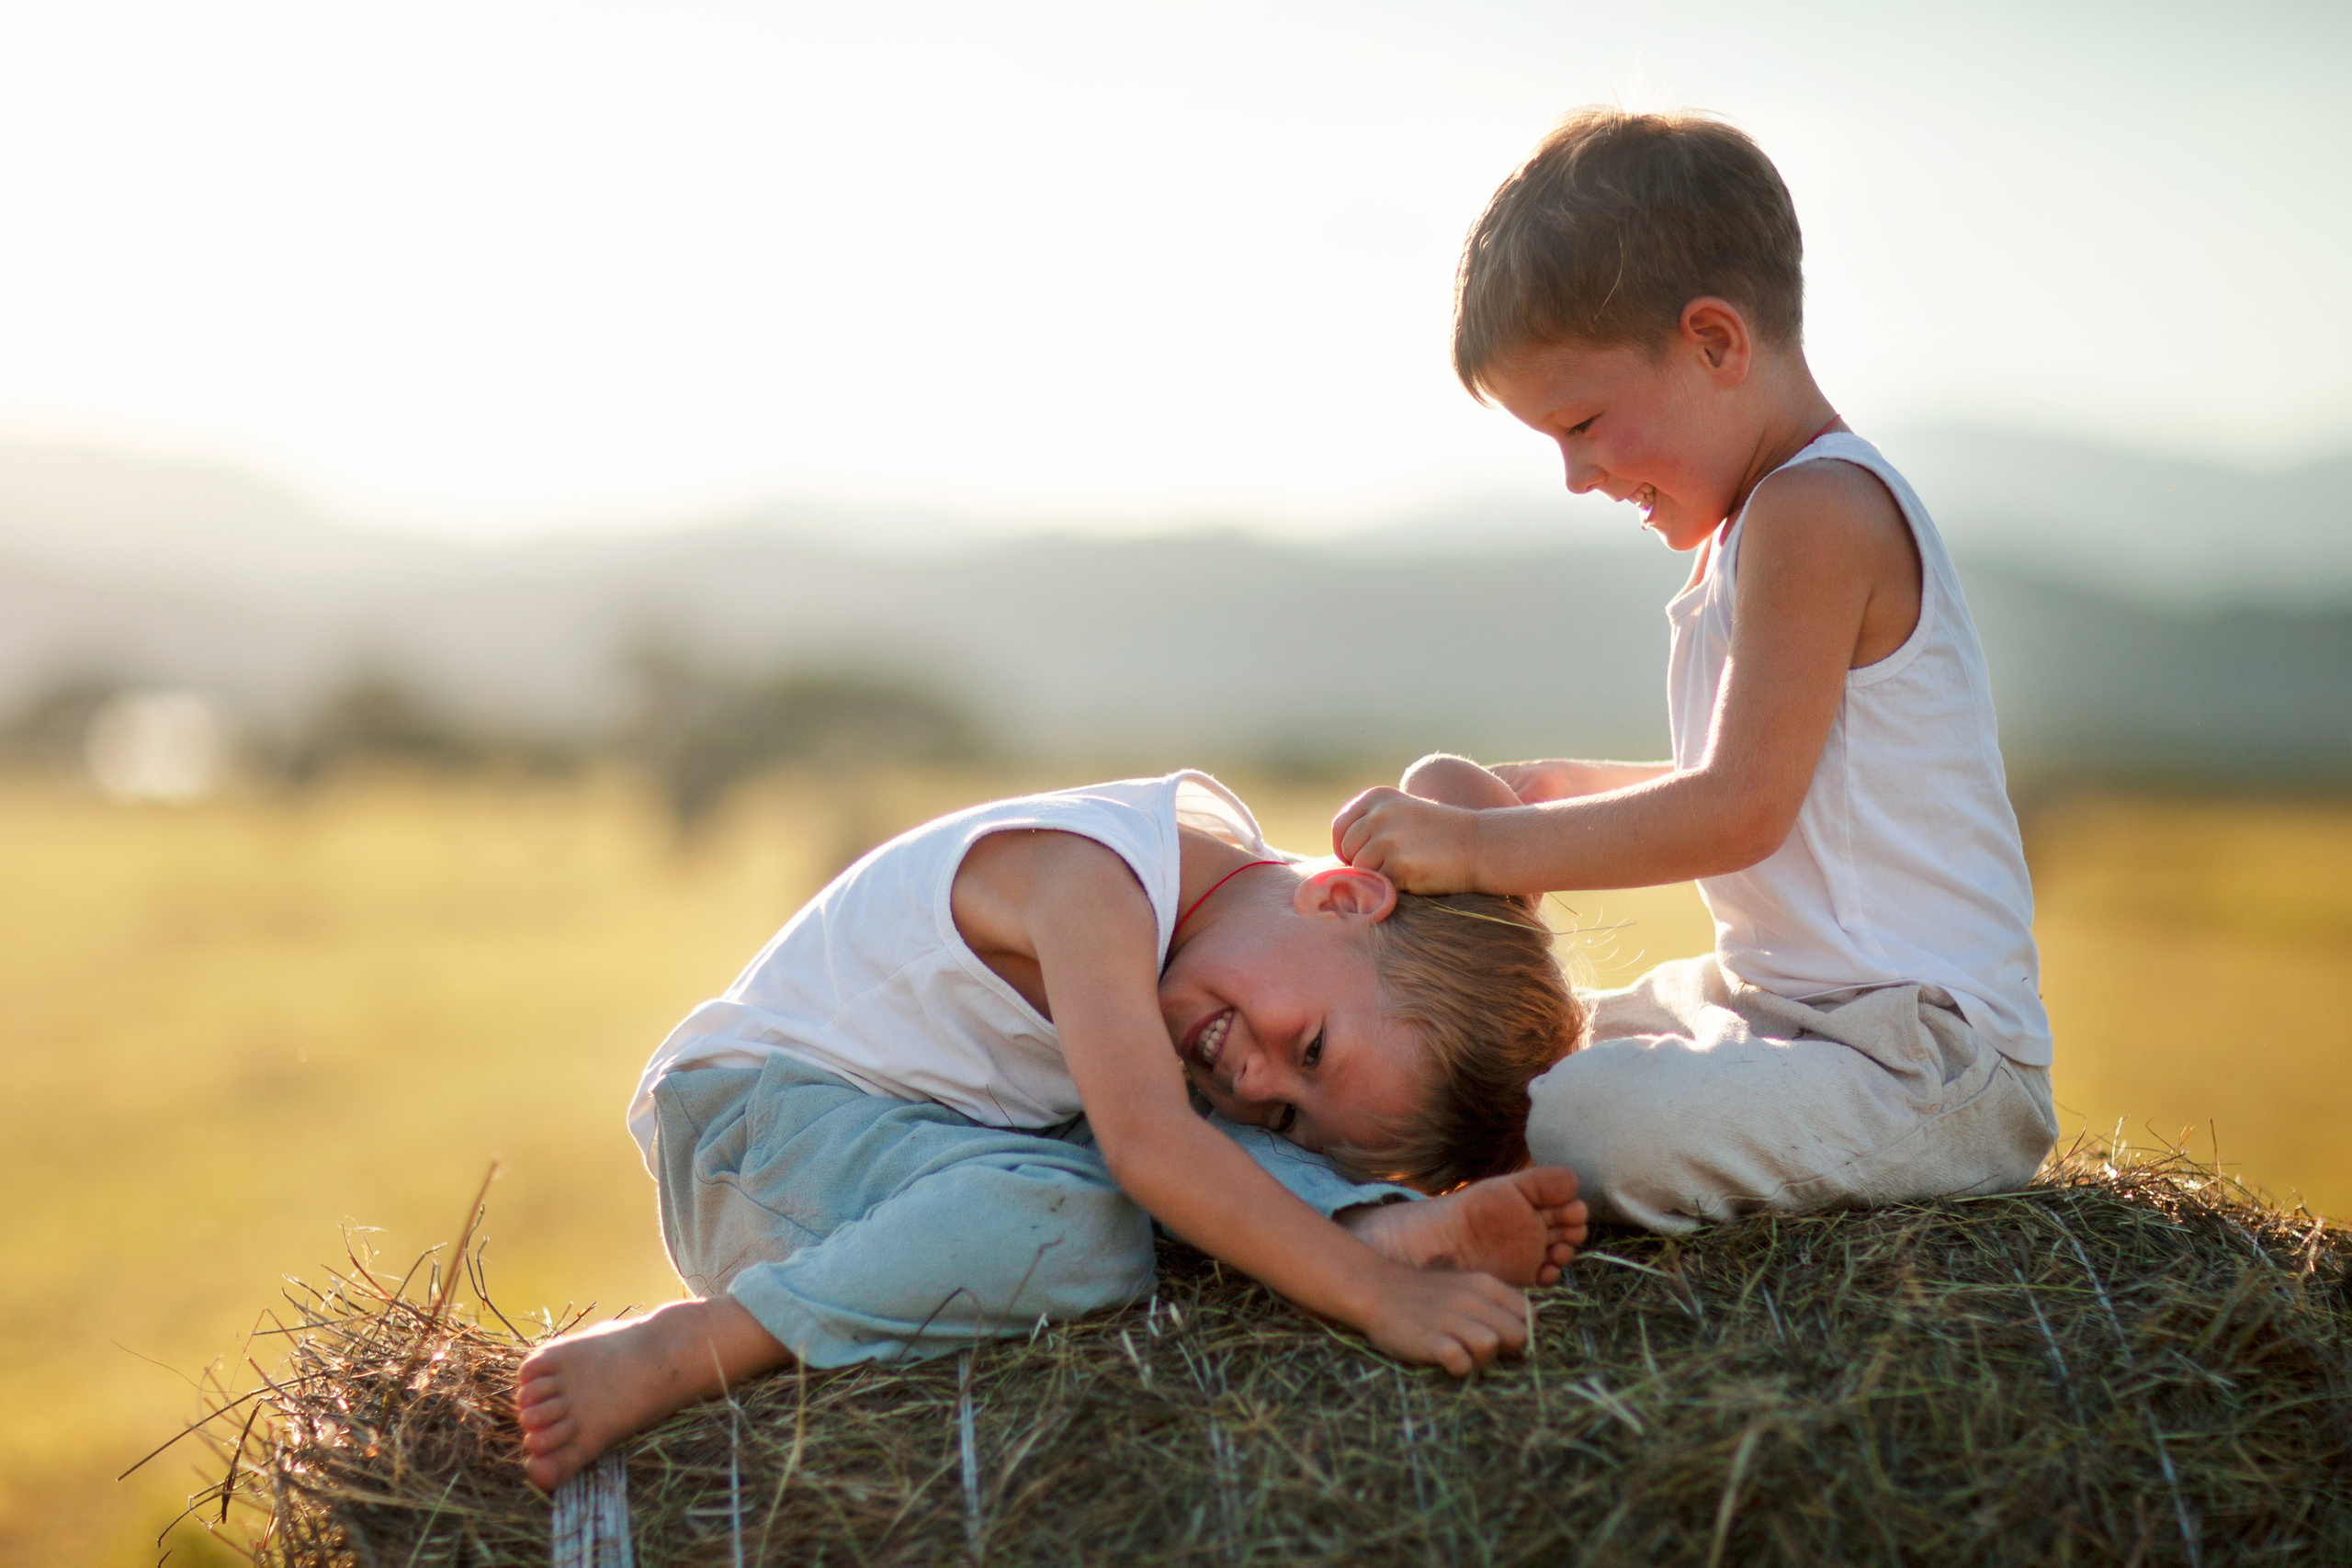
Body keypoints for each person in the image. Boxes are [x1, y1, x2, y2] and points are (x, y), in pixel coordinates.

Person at [1332, 107, 2058, 1235]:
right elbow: (1772, 781)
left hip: (1928, 1060)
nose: (1575, 475)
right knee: (1494, 1071)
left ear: (1716, 343)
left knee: (1584, 1124)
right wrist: (1534, 794)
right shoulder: (1758, 523)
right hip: (1780, 1012)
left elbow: (1740, 808)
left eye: (1582, 422)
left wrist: (1482, 848)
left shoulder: (1818, 509)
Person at [517, 770, 1588, 1490]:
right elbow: (1147, 1150)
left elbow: (1455, 781)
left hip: (945, 1139)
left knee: (1198, 1148)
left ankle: (1367, 1217)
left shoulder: (1242, 937)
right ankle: (700, 1344)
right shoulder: (1094, 884)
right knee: (1092, 1218)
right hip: (758, 1133)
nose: (1254, 1076)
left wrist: (1476, 835)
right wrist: (1376, 1303)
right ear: (1346, 900)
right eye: (1308, 1051)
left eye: (1286, 1112)